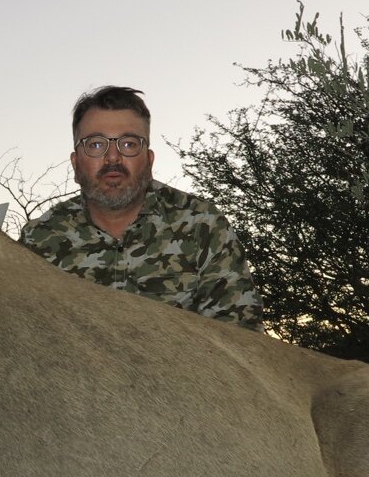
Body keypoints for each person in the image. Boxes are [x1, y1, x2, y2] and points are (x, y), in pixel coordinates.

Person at [20, 85, 264, 330]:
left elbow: (241, 338)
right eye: (95, 144)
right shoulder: (38, 240)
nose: (113, 158)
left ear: (149, 160)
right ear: (75, 164)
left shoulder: (202, 224)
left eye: (128, 144)